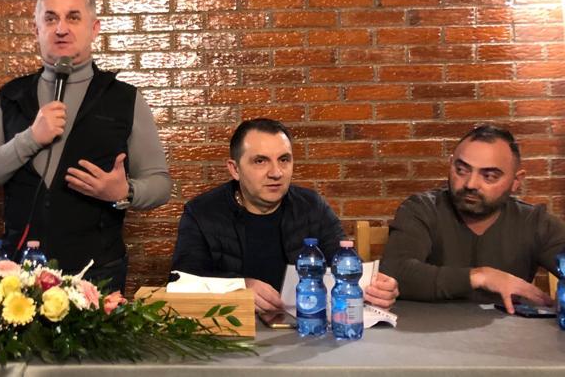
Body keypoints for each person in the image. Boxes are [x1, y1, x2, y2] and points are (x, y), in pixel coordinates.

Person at [0, 0, 172, 292]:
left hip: (98, 274)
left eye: (73, 17)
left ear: (94, 29)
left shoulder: (124, 98)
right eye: (50, 19)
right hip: (21, 276)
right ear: (36, 29)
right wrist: (30, 138)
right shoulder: (11, 97)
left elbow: (161, 183)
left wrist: (124, 192)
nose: (61, 28)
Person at [170, 118, 399, 313]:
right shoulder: (202, 212)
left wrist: (375, 287)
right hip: (233, 332)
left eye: (284, 160)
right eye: (260, 161)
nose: (276, 173)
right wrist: (238, 288)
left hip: (306, 329)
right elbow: (181, 283)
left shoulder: (312, 206)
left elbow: (343, 267)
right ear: (235, 169)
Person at [380, 125, 565, 313]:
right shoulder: (422, 209)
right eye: (461, 170)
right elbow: (395, 272)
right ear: (450, 164)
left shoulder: (535, 222)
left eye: (489, 176)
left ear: (516, 181)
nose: (470, 184)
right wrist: (481, 276)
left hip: (509, 329)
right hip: (422, 327)